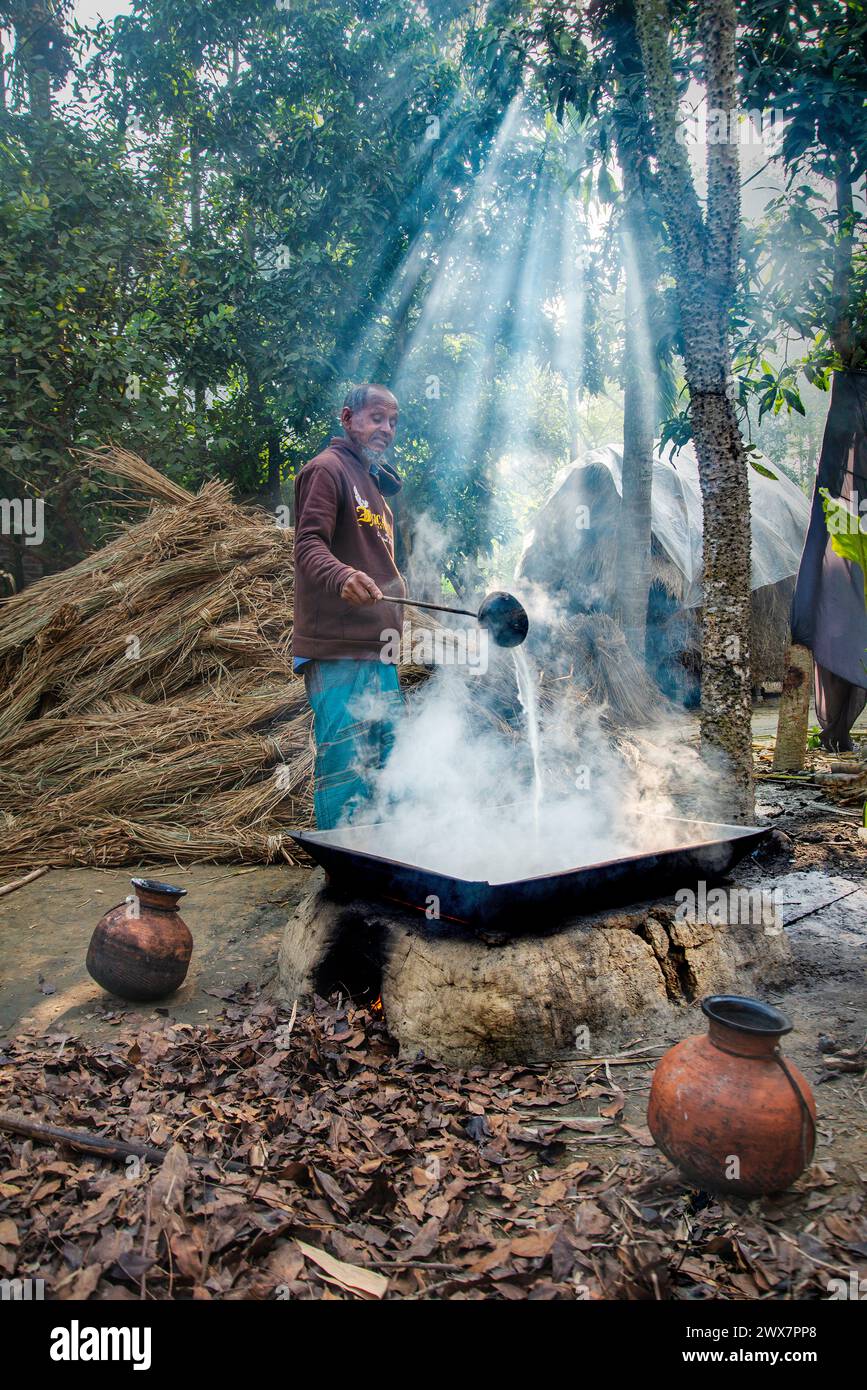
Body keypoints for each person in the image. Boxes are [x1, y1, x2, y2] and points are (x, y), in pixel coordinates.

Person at [293, 384, 406, 829]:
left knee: (389, 770)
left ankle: (386, 873)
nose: (386, 429)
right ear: (348, 418)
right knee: (346, 772)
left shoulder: (376, 489)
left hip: (380, 653)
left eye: (393, 422)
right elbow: (307, 545)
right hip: (339, 651)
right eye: (377, 418)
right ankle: (342, 882)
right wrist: (342, 576)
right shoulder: (326, 470)